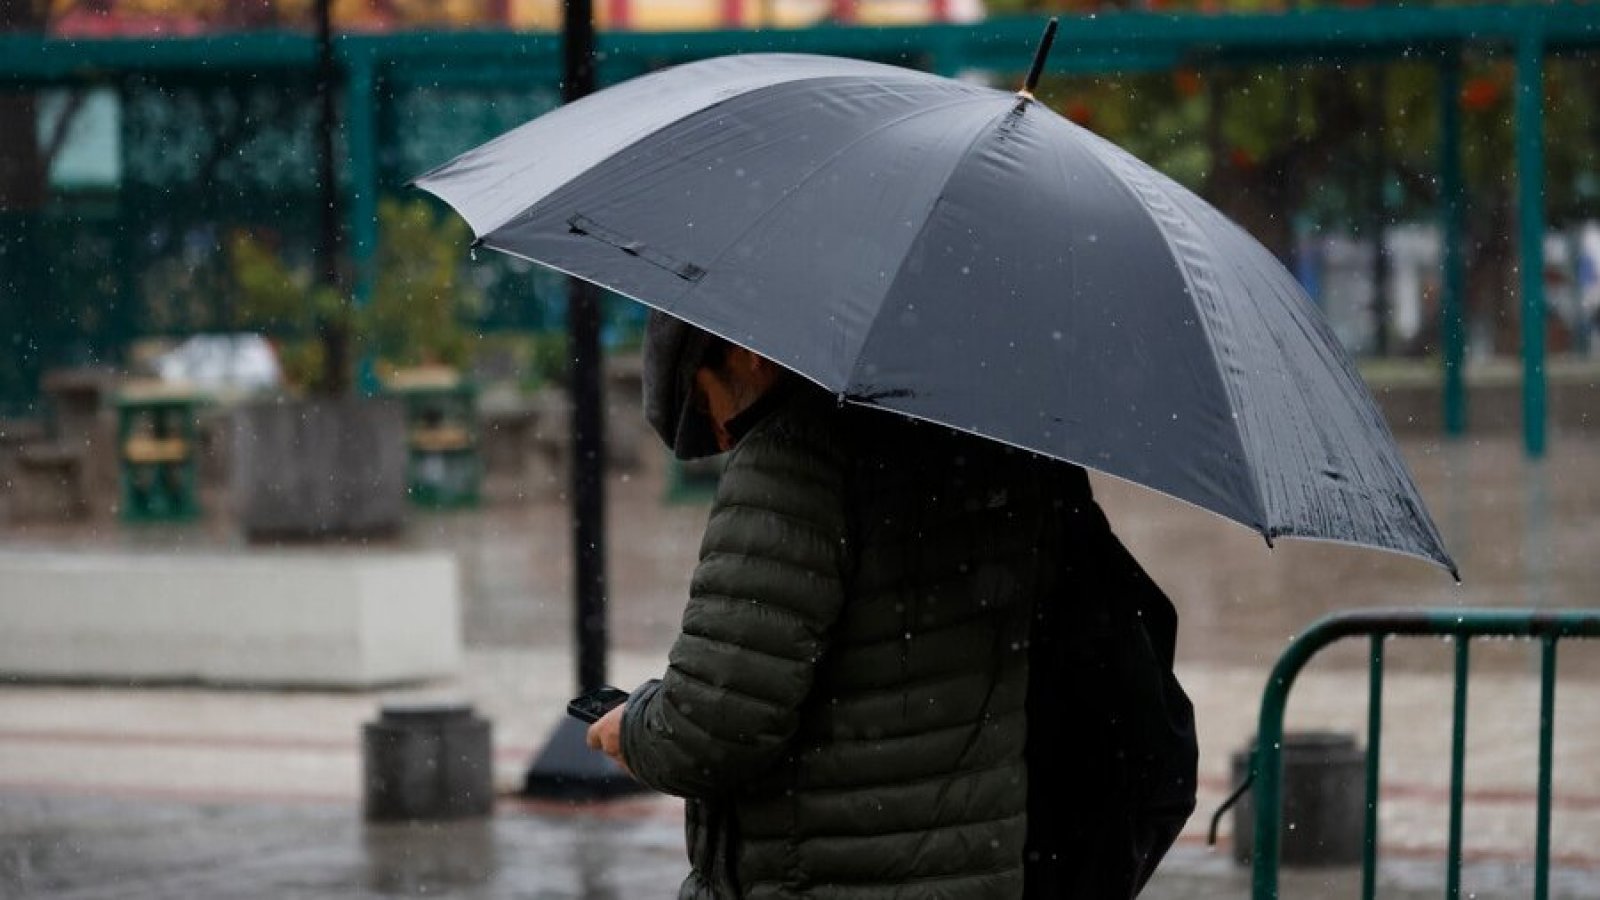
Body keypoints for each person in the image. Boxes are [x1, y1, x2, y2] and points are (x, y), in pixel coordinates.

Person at [588, 311, 1197, 898]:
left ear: (747, 351)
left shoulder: (795, 455)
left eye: (702, 395)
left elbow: (714, 725)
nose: (718, 430)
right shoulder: (1002, 444)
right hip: (980, 873)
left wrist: (634, 729)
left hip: (823, 878)